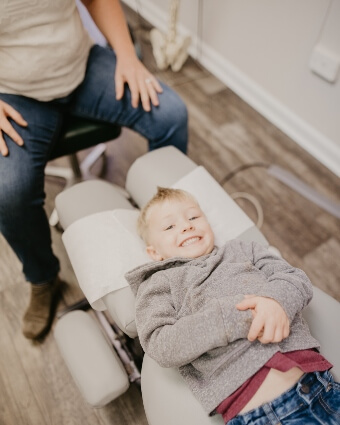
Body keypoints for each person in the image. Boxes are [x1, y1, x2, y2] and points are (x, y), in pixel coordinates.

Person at [0, 1, 188, 340]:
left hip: (82, 67)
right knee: (8, 192)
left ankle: (169, 225)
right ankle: (43, 278)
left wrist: (127, 55)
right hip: (15, 93)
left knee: (170, 115)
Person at [125, 187, 340, 424]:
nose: (187, 226)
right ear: (154, 252)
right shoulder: (158, 284)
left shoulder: (242, 249)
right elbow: (161, 343)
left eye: (193, 217)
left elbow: (294, 278)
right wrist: (230, 319)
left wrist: (275, 301)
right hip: (267, 416)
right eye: (169, 227)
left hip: (324, 387)